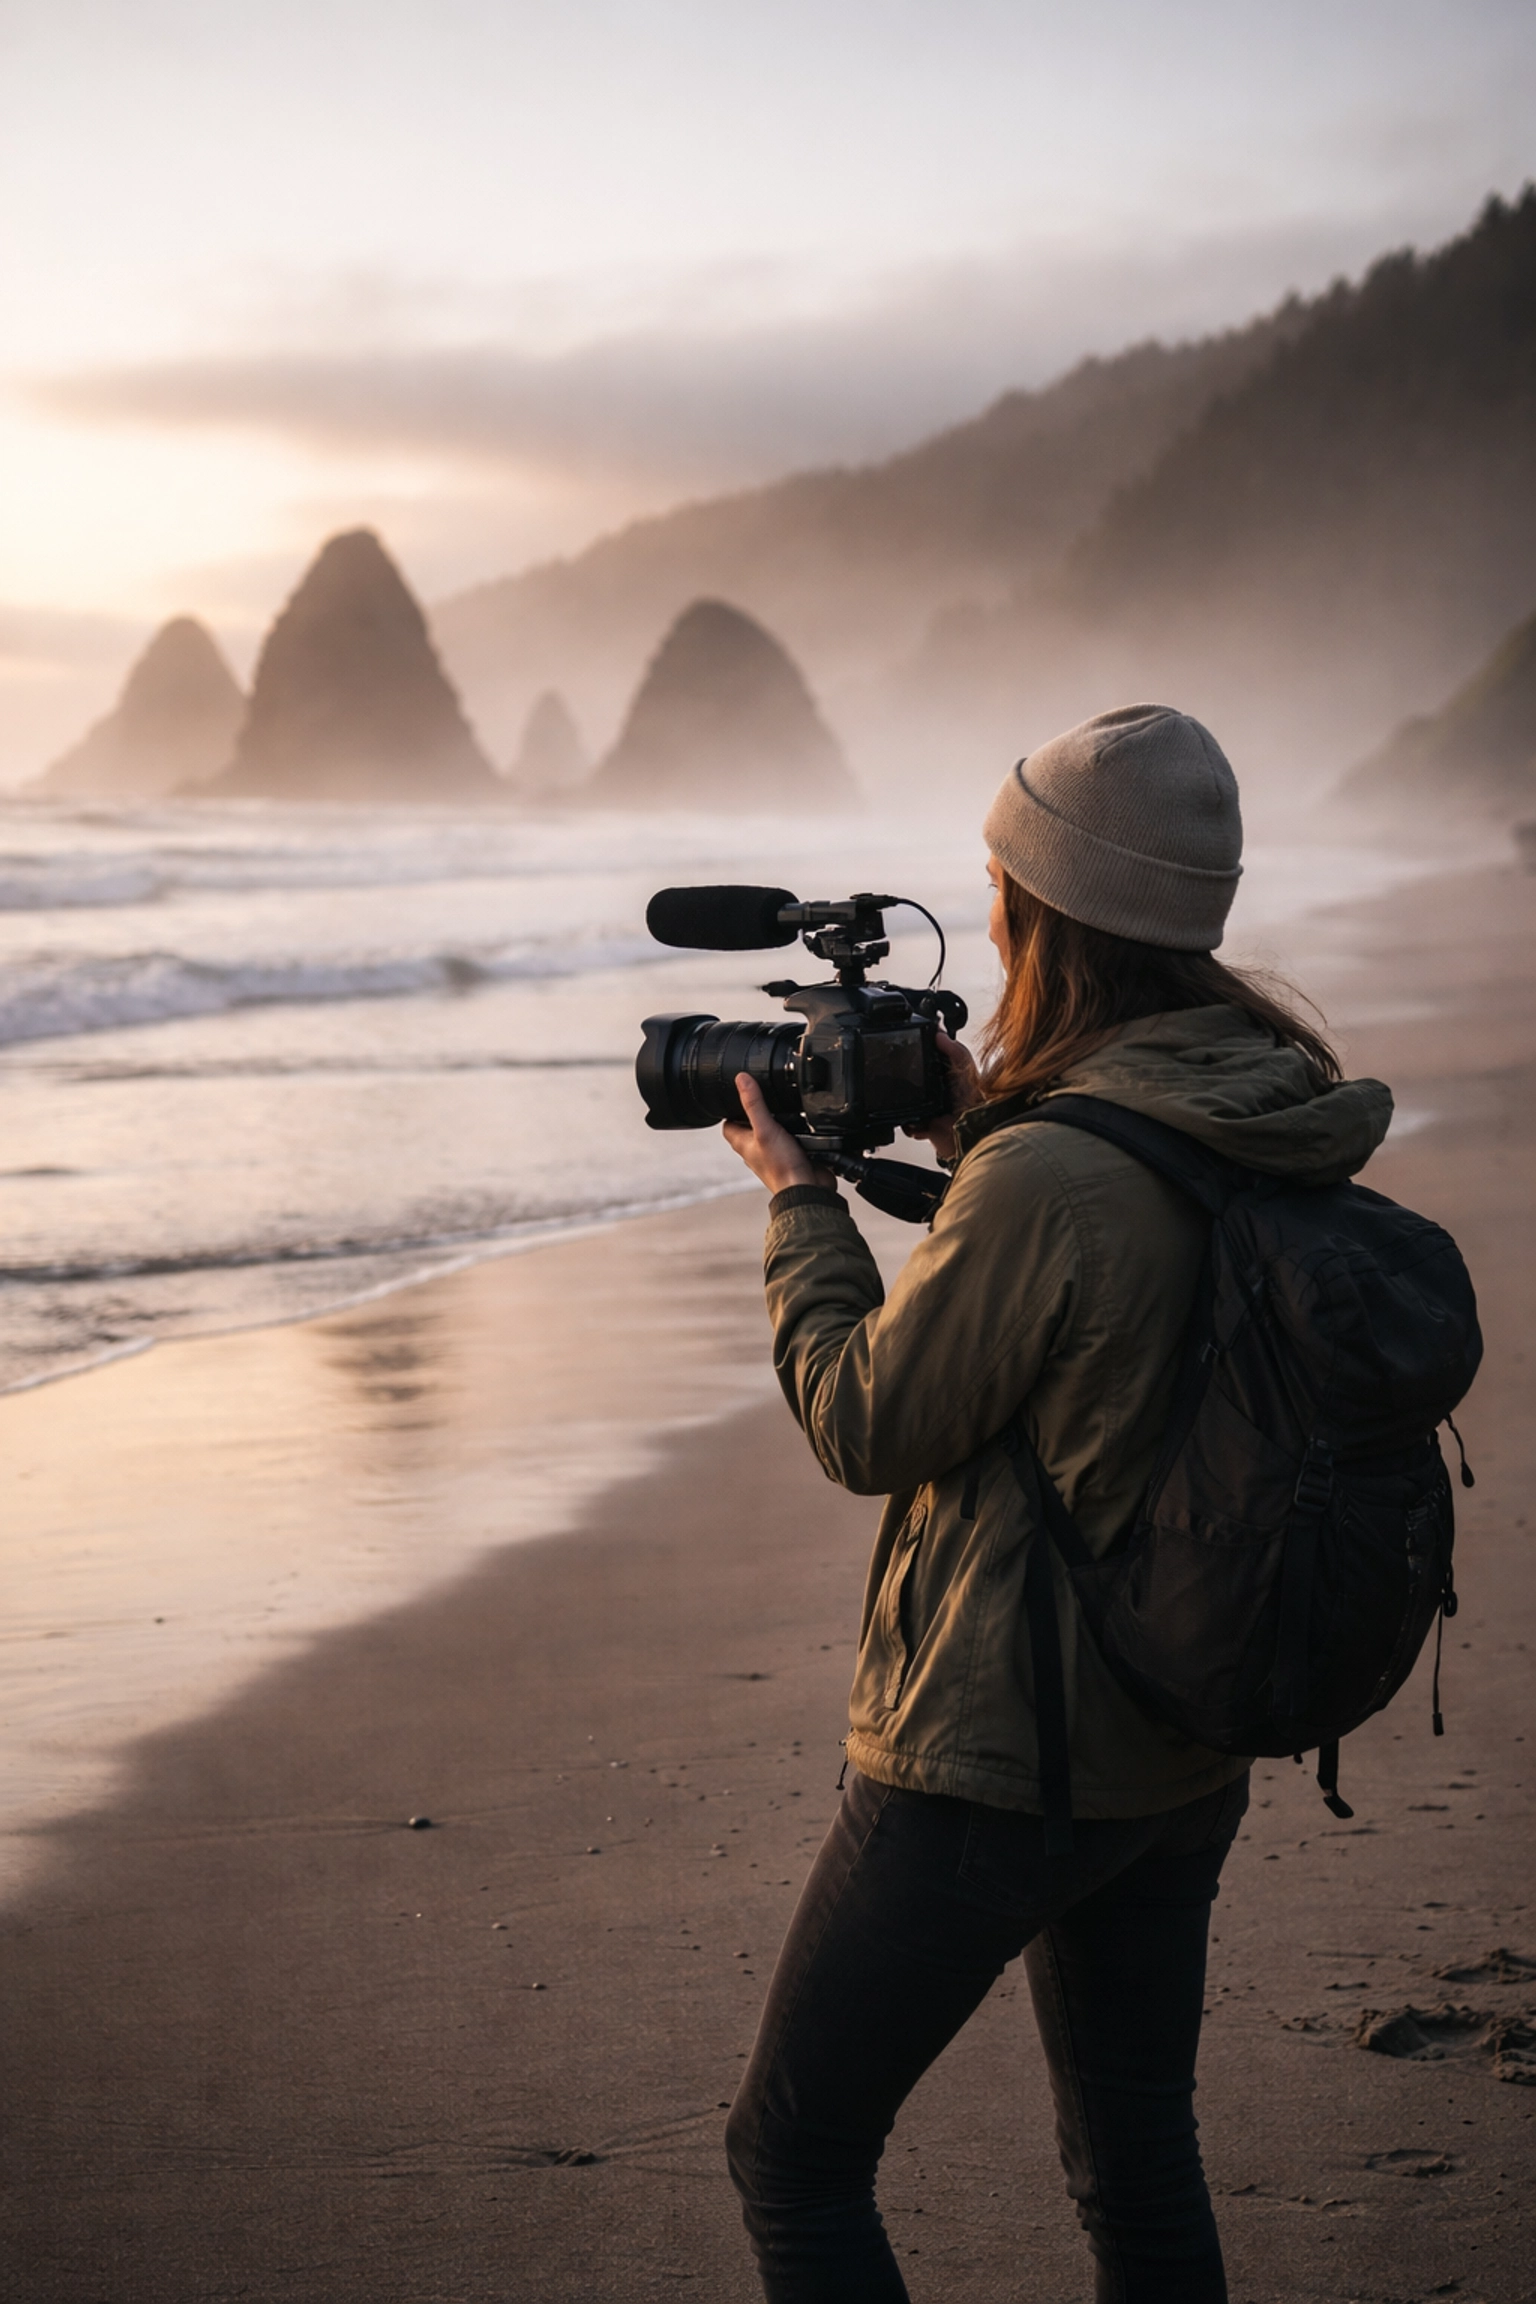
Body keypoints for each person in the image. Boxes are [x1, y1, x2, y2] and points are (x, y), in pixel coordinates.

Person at [716, 704, 1393, 2303]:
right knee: (1137, 2151)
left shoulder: (1056, 1172)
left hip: (1001, 1754)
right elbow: (1133, 1316)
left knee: (794, 2159)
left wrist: (803, 1209)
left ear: (1047, 914)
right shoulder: (1259, 1100)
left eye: (1004, 888)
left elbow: (867, 1418)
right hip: (1182, 1726)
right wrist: (982, 1137)